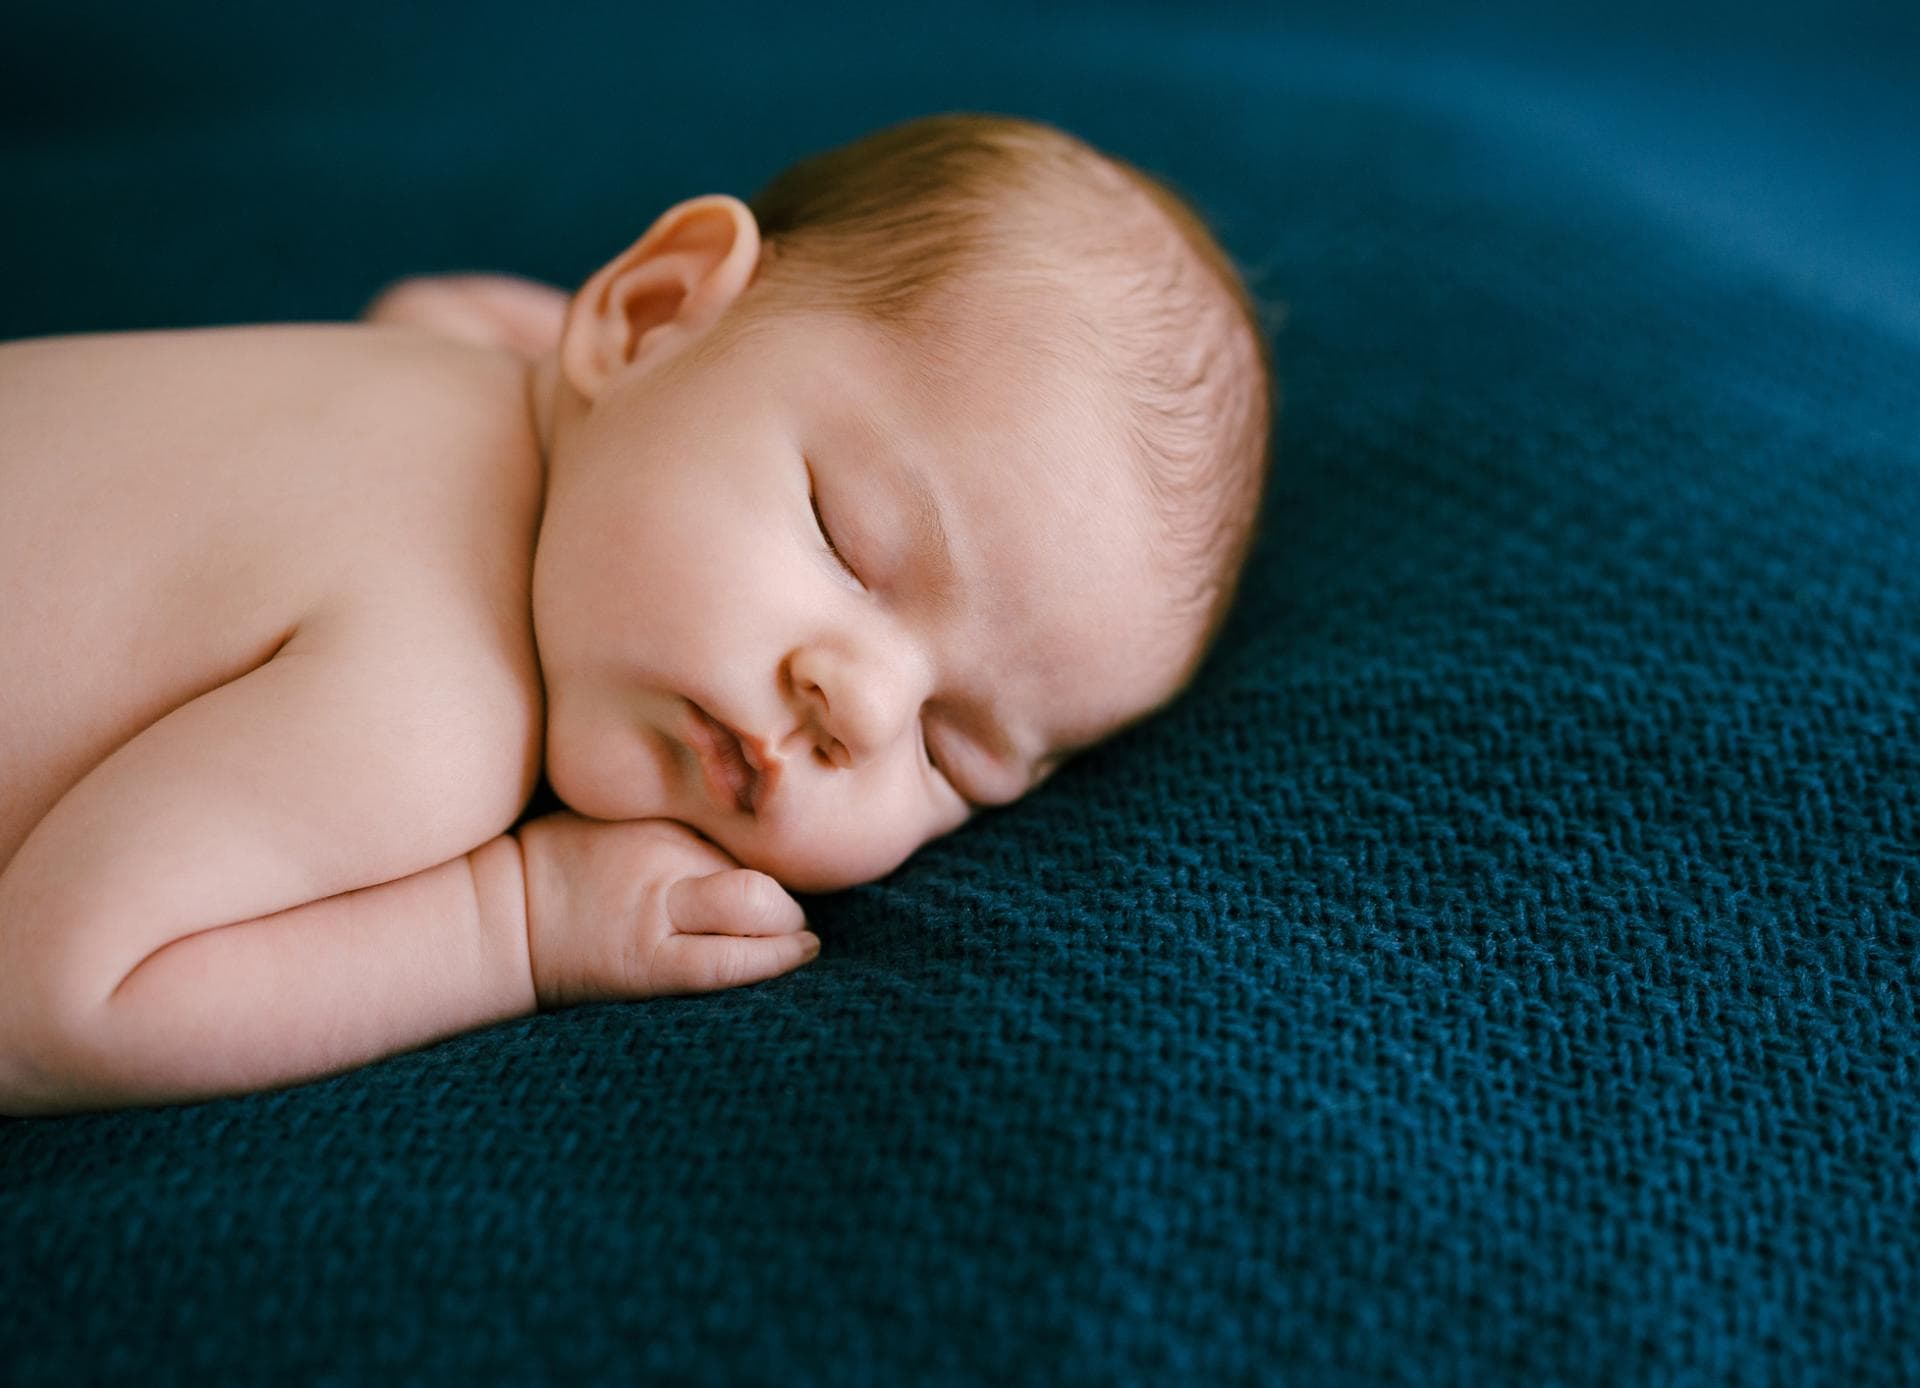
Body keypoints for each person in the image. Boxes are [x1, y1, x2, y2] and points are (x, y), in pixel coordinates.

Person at [0, 112, 1276, 1115]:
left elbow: (454, 307)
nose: (863, 710)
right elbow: (58, 1006)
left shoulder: (469, 356)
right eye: (848, 541)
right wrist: (515, 924)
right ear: (652, 310)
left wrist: (675, 380)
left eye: (956, 754)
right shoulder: (427, 707)